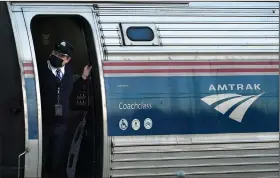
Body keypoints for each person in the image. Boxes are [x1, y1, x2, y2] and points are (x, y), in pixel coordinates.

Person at [38, 40, 92, 178]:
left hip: (61, 124)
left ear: (67, 59)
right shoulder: (40, 70)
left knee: (56, 159)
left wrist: (83, 78)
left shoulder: (68, 71)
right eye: (55, 52)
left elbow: (71, 94)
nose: (56, 56)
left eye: (61, 55)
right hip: (43, 123)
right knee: (41, 157)